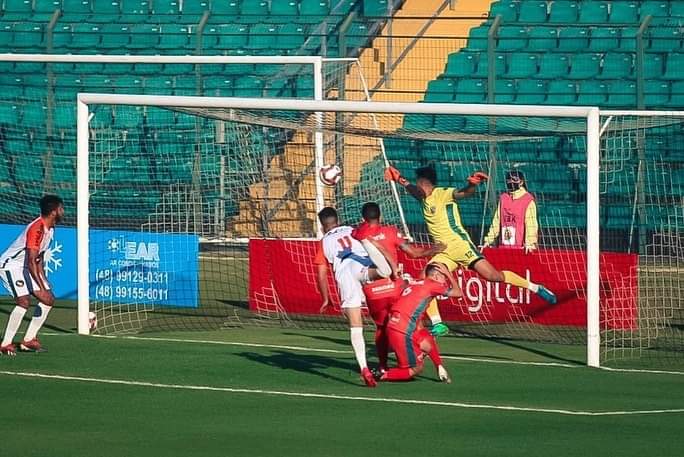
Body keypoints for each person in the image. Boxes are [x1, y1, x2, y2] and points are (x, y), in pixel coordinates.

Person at [384, 165, 556, 320]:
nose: (416, 189)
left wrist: (473, 184)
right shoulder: (423, 199)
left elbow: (463, 193)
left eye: (418, 184)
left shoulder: (443, 193)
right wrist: (401, 180)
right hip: (443, 252)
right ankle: (437, 323)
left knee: (493, 276)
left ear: (424, 183)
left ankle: (535, 287)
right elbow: (417, 193)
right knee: (424, 280)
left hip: (461, 245)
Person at [351, 202, 445, 373]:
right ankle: (422, 356)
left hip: (374, 290)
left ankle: (383, 366)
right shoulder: (391, 232)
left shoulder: (358, 233)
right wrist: (432, 249)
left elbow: (354, 237)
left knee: (381, 328)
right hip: (394, 286)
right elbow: (414, 253)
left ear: (363, 218)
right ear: (381, 216)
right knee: (413, 323)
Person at [314, 206, 393, 387]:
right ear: (338, 220)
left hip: (345, 276)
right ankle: (388, 357)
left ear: (322, 226)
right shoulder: (353, 230)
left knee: (355, 326)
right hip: (362, 266)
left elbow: (321, 274)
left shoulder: (324, 242)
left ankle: (364, 368)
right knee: (384, 275)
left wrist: (326, 298)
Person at [0, 195, 64, 356]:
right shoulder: (37, 228)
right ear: (54, 212)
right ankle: (6, 343)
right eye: (61, 208)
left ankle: (29, 340)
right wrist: (41, 285)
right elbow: (30, 260)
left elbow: (39, 258)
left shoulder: (51, 229)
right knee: (23, 301)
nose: (63, 211)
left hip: (27, 267)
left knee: (48, 299)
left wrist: (44, 280)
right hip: (10, 266)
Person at [379, 263, 461, 383]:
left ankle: (439, 367)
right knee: (416, 368)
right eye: (444, 277)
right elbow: (458, 293)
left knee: (424, 337)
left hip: (396, 325)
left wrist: (439, 365)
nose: (445, 281)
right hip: (401, 330)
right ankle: (381, 375)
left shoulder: (415, 283)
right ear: (437, 276)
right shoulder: (433, 285)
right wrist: (449, 273)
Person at [482, 170, 538, 254]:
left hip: (521, 249)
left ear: (521, 182)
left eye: (514, 179)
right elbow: (496, 222)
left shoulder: (528, 200)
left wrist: (530, 243)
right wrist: (488, 241)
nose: (511, 182)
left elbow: (531, 224)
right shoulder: (503, 198)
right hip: (503, 248)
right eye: (508, 179)